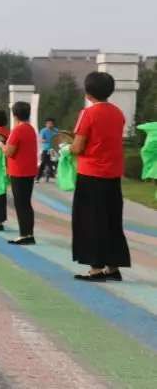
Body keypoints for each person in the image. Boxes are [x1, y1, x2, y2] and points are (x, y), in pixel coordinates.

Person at [69, 72, 129, 281]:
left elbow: (78, 147)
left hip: (91, 174)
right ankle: (113, 267)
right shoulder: (118, 113)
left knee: (90, 221)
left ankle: (95, 268)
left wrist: (67, 148)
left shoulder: (87, 114)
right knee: (111, 220)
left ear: (88, 92)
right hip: (112, 173)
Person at [4, 102, 38, 245]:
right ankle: (28, 233)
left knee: (20, 204)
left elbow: (9, 152)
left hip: (18, 171)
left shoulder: (17, 130)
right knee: (26, 203)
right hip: (29, 171)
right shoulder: (31, 129)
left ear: (14, 115)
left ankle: (25, 234)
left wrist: (0, 146)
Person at [37, 117, 59, 182]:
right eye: (48, 123)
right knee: (43, 163)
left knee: (56, 163)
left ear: (53, 124)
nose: (49, 125)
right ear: (46, 124)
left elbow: (59, 138)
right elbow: (41, 139)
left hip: (54, 149)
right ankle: (38, 178)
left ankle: (57, 176)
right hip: (46, 149)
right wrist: (48, 140)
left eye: (51, 123)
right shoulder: (43, 131)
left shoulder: (56, 130)